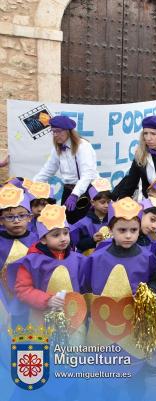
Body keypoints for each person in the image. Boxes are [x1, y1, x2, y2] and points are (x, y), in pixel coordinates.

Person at [10, 205, 84, 339]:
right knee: (46, 352)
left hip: (74, 318)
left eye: (66, 233)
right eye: (56, 235)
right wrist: (47, 299)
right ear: (43, 239)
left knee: (73, 352)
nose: (63, 238)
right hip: (42, 319)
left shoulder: (77, 258)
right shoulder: (32, 262)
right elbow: (23, 289)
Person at [33, 115, 99, 224]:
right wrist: (32, 186)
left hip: (85, 191)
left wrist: (75, 194)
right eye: (53, 132)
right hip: (68, 190)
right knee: (67, 223)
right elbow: (48, 170)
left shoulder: (83, 146)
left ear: (68, 131)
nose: (55, 135)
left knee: (84, 223)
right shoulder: (57, 148)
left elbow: (87, 174)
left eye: (58, 131)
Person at [0, 186, 38, 324]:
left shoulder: (38, 240)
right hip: (4, 298)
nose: (16, 220)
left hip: (33, 298)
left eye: (22, 215)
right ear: (1, 220)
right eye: (10, 217)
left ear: (29, 218)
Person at [70, 178, 112, 255]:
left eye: (109, 202)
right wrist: (92, 240)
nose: (106, 205)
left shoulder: (113, 219)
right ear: (93, 202)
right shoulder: (83, 223)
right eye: (102, 202)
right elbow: (78, 244)